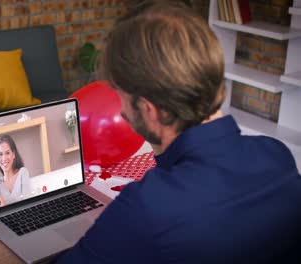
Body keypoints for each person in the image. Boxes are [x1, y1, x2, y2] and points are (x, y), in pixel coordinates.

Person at [57, 1, 301, 263]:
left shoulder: (147, 208)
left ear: (150, 109)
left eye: (120, 96)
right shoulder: (277, 156)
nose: (122, 112)